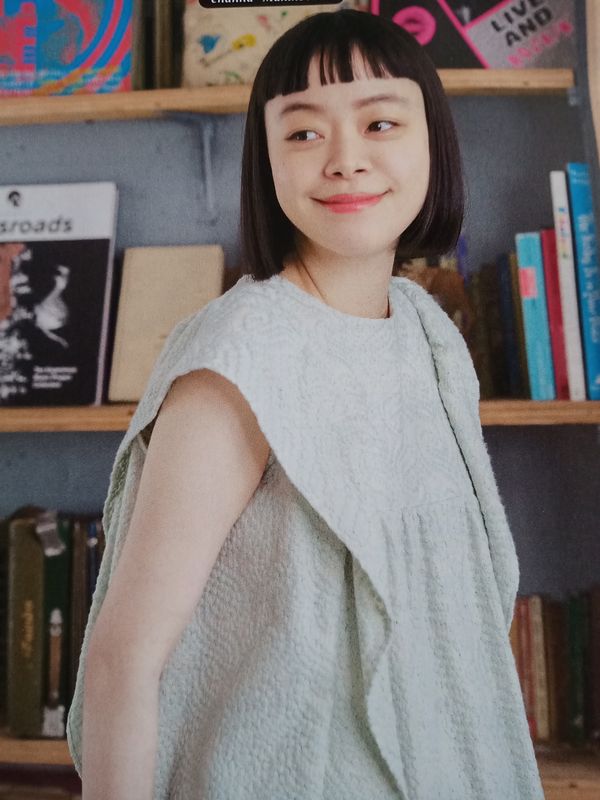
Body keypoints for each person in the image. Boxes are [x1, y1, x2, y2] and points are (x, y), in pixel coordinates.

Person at [66, 9, 546, 799]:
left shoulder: (424, 330)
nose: (345, 159)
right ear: (267, 163)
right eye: (303, 132)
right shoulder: (243, 353)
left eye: (380, 123)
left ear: (433, 143)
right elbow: (124, 659)